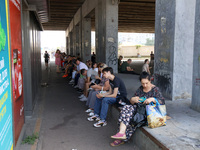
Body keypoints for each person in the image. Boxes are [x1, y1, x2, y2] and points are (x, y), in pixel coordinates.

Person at [110, 72, 165, 146]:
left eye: (146, 83)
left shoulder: (155, 89)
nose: (144, 85)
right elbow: (131, 101)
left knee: (132, 117)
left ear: (150, 81)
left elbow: (162, 101)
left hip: (149, 114)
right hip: (139, 110)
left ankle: (121, 137)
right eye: (143, 83)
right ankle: (121, 133)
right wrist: (133, 99)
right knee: (126, 108)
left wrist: (152, 99)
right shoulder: (140, 89)